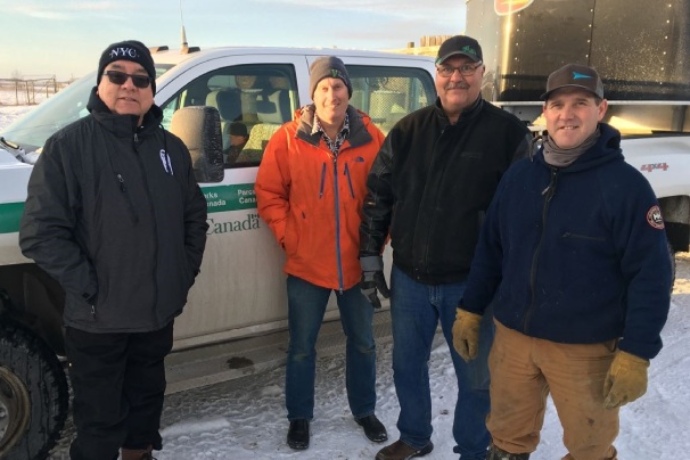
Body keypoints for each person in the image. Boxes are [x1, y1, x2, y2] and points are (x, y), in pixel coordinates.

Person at [452, 64, 673, 460]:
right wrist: (470, 309)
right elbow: (491, 250)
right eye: (557, 105)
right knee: (505, 437)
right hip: (514, 339)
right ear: (545, 112)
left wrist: (637, 352)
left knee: (590, 447)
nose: (566, 114)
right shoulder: (520, 177)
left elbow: (652, 275)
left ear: (601, 109)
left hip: (584, 349)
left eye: (580, 104)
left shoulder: (626, 187)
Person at [19, 40, 208, 460]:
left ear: (151, 90)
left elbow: (194, 217)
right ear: (101, 83)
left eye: (140, 79)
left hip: (156, 315)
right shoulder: (68, 147)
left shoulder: (171, 149)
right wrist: (92, 288)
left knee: (144, 410)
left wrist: (180, 274)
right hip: (97, 321)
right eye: (117, 75)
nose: (129, 85)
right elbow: (40, 233)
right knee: (100, 422)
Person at [359, 35, 531, 460]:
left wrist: (511, 283)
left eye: (466, 69)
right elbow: (377, 196)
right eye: (447, 69)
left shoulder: (508, 134)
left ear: (482, 74)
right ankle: (415, 436)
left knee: (476, 378)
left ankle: (473, 449)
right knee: (406, 367)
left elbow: (524, 217)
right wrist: (368, 260)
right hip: (410, 279)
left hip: (472, 287)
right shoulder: (408, 130)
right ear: (436, 76)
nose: (457, 77)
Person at [255, 56, 388, 451]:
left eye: (339, 86)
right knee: (301, 347)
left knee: (363, 342)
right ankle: (300, 417)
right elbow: (269, 193)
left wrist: (375, 246)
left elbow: (388, 197)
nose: (332, 93)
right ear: (313, 94)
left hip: (356, 264)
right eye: (324, 87)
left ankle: (364, 409)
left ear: (350, 91)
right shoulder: (288, 138)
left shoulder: (372, 137)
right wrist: (290, 237)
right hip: (307, 265)